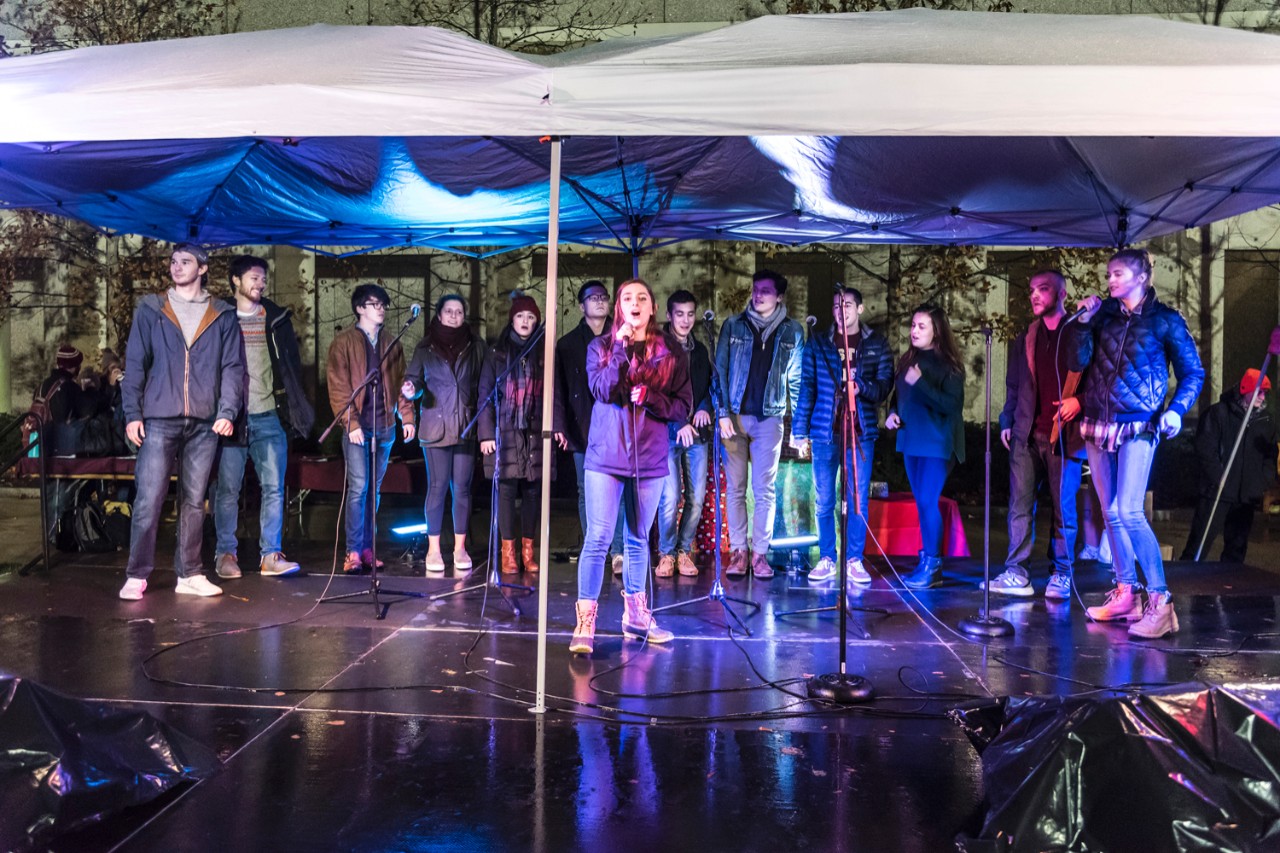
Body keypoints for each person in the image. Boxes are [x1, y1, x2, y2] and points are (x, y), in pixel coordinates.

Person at [1068, 248, 1204, 639]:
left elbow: (1192, 371)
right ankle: (1126, 591)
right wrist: (1083, 323)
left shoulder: (1165, 320)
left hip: (1140, 422)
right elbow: (1078, 363)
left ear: (1142, 276)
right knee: (1109, 511)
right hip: (1098, 419)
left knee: (1129, 510)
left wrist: (1176, 409)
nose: (1109, 280)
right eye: (1108, 273)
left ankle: (1160, 602)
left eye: (1118, 273)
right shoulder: (1105, 316)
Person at [571, 278, 692, 654]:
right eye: (627, 298)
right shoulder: (600, 347)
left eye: (642, 298)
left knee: (639, 538)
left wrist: (653, 397)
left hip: (649, 455)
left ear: (652, 308)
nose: (635, 303)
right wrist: (622, 350)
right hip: (606, 455)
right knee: (599, 537)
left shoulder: (671, 351)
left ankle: (636, 615)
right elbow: (603, 390)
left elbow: (682, 406)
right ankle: (585, 621)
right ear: (619, 308)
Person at [118, 244, 244, 600]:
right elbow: (135, 363)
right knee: (149, 498)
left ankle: (189, 573)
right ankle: (136, 574)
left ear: (203, 268)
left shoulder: (222, 313)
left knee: (193, 500)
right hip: (159, 418)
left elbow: (233, 367)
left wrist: (226, 411)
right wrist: (132, 415)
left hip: (205, 422)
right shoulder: (151, 308)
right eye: (173, 261)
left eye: (185, 261)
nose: (176, 266)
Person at [212, 255, 315, 582]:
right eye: (253, 278)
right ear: (235, 281)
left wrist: (292, 408)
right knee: (227, 490)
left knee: (274, 488)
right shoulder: (219, 318)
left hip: (270, 416)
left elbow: (291, 368)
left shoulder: (277, 318)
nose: (260, 284)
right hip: (233, 419)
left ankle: (270, 555)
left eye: (262, 279)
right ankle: (225, 554)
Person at [986, 270, 1085, 600]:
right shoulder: (1025, 337)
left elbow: (1096, 383)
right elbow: (1014, 385)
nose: (1034, 296)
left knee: (1062, 509)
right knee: (1019, 506)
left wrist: (1079, 402)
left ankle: (1061, 572)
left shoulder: (1078, 334)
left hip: (1063, 435)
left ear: (1062, 295)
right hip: (1026, 435)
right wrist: (1006, 420)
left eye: (1043, 289)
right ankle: (1016, 572)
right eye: (1031, 290)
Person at [793, 286, 895, 585]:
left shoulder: (876, 343)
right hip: (825, 431)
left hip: (860, 432)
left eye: (848, 304)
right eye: (837, 305)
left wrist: (861, 385)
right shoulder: (818, 343)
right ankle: (827, 557)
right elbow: (807, 387)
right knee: (824, 500)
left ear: (859, 309)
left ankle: (854, 559)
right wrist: (799, 429)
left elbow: (884, 385)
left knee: (857, 500)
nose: (842, 310)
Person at [714, 269, 805, 580]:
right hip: (736, 416)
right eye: (756, 289)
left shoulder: (792, 331)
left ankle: (760, 555)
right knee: (735, 488)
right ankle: (738, 552)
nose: (758, 295)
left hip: (770, 418)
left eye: (766, 290)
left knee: (764, 490)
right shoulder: (733, 325)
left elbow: (796, 381)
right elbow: (720, 372)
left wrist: (799, 426)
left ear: (779, 296)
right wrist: (722, 412)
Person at [326, 283, 416, 575]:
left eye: (383, 304)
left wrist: (407, 416)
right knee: (359, 488)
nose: (381, 308)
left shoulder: (392, 342)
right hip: (358, 429)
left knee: (373, 491)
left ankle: (366, 547)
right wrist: (350, 422)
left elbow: (402, 385)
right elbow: (338, 387)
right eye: (375, 304)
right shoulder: (343, 343)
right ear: (359, 308)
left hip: (384, 428)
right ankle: (352, 550)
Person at [401, 293, 485, 573]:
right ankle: (434, 550)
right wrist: (412, 390)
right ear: (439, 315)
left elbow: (485, 382)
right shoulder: (425, 348)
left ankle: (459, 548)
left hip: (465, 425)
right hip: (435, 426)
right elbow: (414, 380)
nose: (454, 316)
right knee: (436, 489)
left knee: (461, 490)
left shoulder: (476, 346)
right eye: (448, 311)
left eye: (459, 312)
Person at [884, 303, 965, 589]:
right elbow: (899, 394)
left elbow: (951, 405)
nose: (914, 331)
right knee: (921, 503)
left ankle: (933, 564)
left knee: (929, 502)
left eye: (922, 326)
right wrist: (891, 413)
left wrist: (922, 384)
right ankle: (927, 560)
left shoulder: (949, 366)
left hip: (937, 442)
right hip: (912, 441)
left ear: (937, 331)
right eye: (913, 325)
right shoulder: (909, 359)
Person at [479, 293, 556, 574]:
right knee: (508, 491)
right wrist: (486, 434)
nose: (526, 321)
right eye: (521, 316)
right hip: (505, 429)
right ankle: (508, 552)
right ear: (512, 319)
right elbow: (485, 395)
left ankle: (528, 551)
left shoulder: (544, 351)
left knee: (533, 491)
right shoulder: (497, 353)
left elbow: (553, 392)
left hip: (535, 429)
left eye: (531, 317)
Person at [554, 280, 625, 571]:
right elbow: (557, 388)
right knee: (586, 491)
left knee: (618, 489)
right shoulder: (567, 344)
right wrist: (558, 424)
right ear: (581, 305)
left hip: (617, 425)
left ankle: (618, 551)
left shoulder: (621, 338)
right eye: (592, 298)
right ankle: (593, 547)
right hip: (580, 425)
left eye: (603, 297)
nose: (599, 302)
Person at [1180, 368, 1276, 564]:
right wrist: (1218, 476)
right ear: (1245, 390)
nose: (1262, 396)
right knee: (1198, 546)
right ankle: (1184, 583)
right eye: (1258, 391)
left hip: (1245, 496)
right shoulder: (1219, 413)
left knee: (1236, 551)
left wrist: (1261, 481)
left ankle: (1229, 589)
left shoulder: (1266, 421)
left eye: (1265, 392)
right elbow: (1205, 448)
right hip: (1217, 491)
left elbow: (1269, 456)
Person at [655, 289, 714, 578]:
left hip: (697, 434)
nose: (686, 320)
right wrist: (679, 423)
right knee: (670, 496)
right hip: (668, 432)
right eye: (680, 314)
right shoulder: (657, 348)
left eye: (691, 314)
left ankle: (683, 550)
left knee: (697, 496)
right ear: (669, 315)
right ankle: (665, 552)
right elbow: (657, 393)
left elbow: (706, 385)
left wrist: (704, 407)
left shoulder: (700, 350)